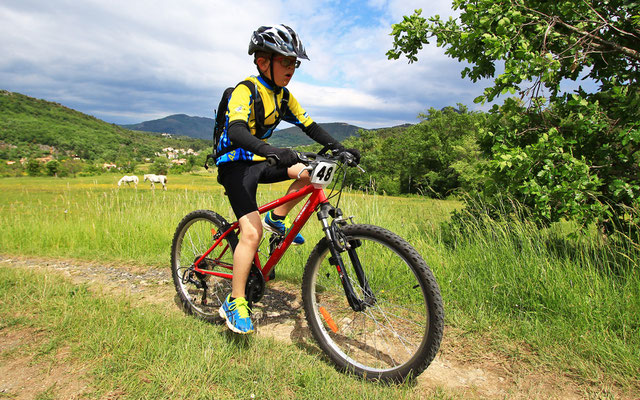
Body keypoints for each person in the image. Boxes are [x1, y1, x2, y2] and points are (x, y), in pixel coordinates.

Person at [215, 24, 360, 334]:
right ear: (263, 61)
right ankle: (236, 301)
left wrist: (340, 148)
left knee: (313, 175)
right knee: (250, 234)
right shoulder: (246, 90)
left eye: (295, 63)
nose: (292, 69)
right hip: (235, 165)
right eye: (286, 61)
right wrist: (271, 150)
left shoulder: (284, 97)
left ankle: (277, 221)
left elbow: (310, 125)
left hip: (262, 160)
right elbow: (236, 131)